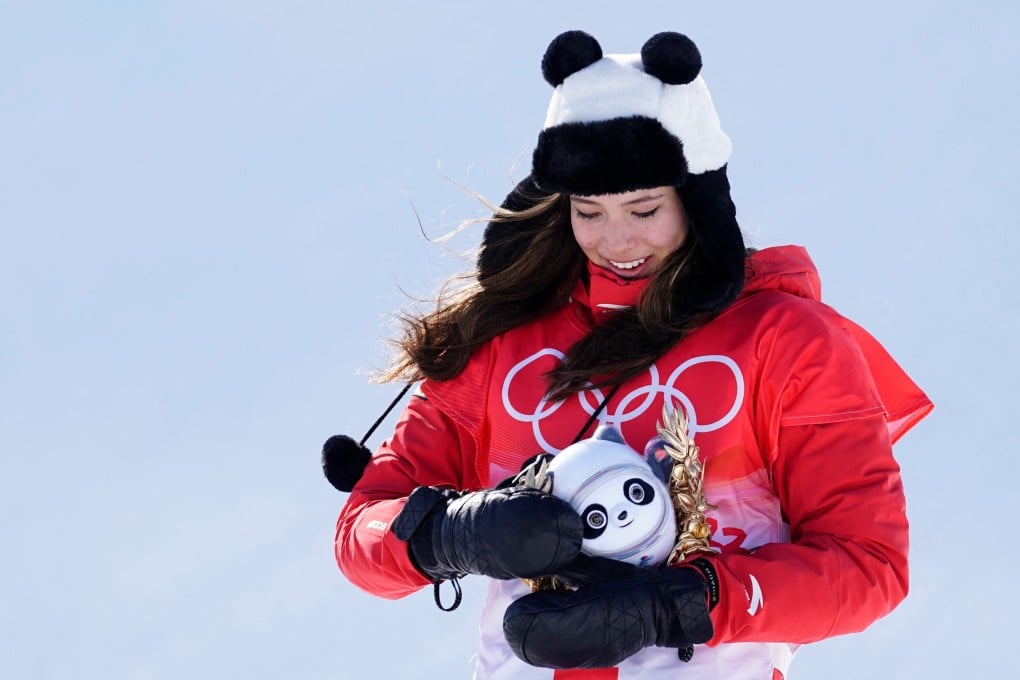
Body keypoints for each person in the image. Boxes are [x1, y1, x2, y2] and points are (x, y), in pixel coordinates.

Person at [331, 30, 932, 679]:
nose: (616, 240)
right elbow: (362, 528)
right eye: (589, 211)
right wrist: (452, 533)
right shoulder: (501, 344)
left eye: (644, 209)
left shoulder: (785, 342)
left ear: (697, 200)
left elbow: (868, 566)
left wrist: (678, 603)